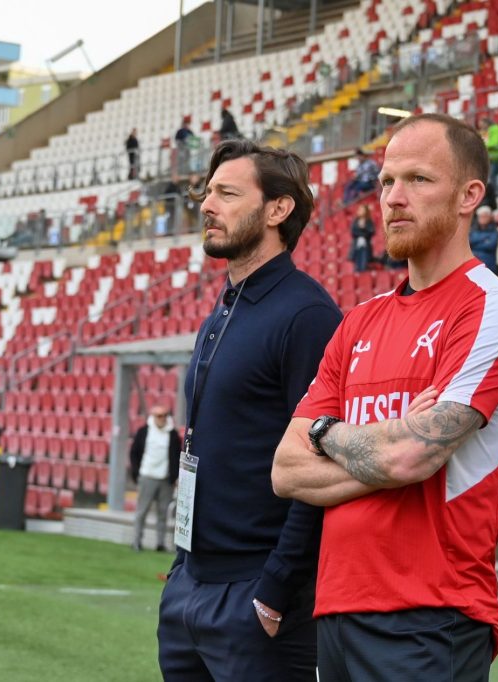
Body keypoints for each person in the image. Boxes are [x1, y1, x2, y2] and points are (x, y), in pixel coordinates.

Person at [271, 112, 498, 678]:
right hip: (337, 607)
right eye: (387, 181)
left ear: (469, 196)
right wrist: (378, 445)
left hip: (430, 616)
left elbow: (410, 457)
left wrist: (329, 434)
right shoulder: (359, 321)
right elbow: (287, 470)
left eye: (418, 179)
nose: (393, 197)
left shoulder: (490, 308)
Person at [158, 139, 343, 681]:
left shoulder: (307, 315)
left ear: (277, 209)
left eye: (227, 194)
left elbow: (321, 462)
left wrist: (275, 591)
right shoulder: (223, 309)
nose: (207, 205)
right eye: (207, 192)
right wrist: (182, 569)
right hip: (193, 586)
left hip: (256, 598)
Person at [129, 405, 181, 552]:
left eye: (164, 415)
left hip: (165, 479)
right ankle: (136, 541)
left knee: (163, 513)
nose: (162, 419)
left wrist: (174, 476)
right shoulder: (144, 431)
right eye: (159, 416)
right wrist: (136, 473)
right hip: (147, 476)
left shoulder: (172, 434)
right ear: (153, 416)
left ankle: (160, 543)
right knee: (142, 511)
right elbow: (134, 453)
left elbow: (177, 456)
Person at [480, 117, 498, 196]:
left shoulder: (496, 129)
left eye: (482, 124)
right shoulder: (485, 132)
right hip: (494, 157)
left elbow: (495, 142)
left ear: (487, 123)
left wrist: (483, 145)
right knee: (492, 175)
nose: (481, 126)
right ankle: (494, 193)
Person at [470, 206, 498, 273]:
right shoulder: (472, 230)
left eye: (485, 216)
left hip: (489, 265)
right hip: (474, 265)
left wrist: (475, 243)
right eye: (481, 216)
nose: (482, 218)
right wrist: (484, 239)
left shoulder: (495, 230)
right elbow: (469, 242)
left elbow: (490, 246)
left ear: (490, 217)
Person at [349, 204, 374, 273]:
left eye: (362, 210)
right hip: (357, 245)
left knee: (364, 261)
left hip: (366, 245)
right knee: (357, 263)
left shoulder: (368, 221)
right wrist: (362, 232)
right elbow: (353, 232)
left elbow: (371, 231)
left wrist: (363, 229)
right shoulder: (356, 221)